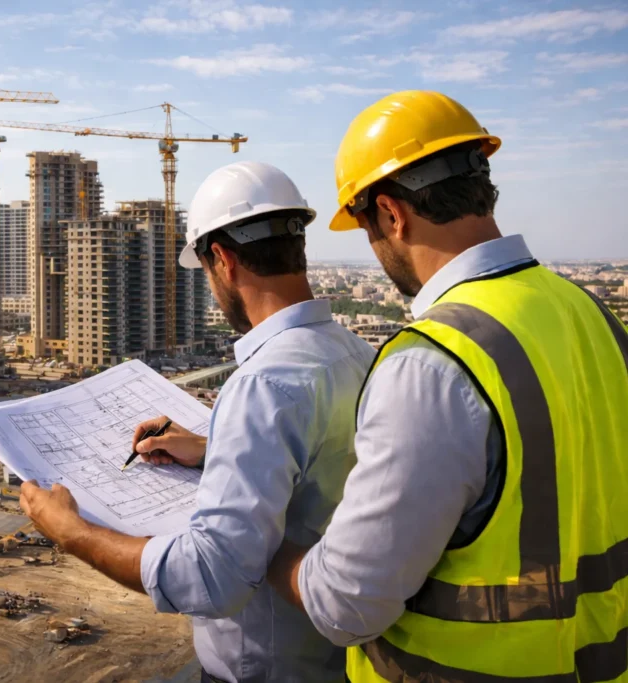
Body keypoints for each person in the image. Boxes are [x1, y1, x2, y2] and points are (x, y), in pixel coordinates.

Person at [266, 90, 628, 681]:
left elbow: (346, 606)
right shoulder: (593, 314)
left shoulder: (433, 364)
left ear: (390, 213)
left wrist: (264, 544)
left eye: (363, 226)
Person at [20, 161, 375, 682]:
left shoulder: (262, 384)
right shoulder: (355, 353)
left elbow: (214, 577)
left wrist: (74, 533)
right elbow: (321, 458)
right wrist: (216, 449)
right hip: (338, 660)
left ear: (224, 262)